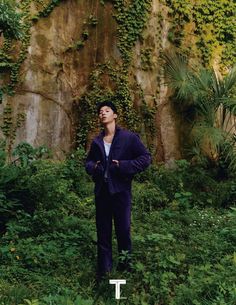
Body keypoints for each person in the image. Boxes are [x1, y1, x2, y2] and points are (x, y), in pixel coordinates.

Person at [85, 101, 151, 281]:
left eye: (107, 110)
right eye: (100, 112)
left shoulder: (128, 138)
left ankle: (125, 269)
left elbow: (145, 158)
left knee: (123, 231)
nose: (103, 113)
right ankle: (104, 272)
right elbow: (88, 162)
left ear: (115, 115)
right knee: (103, 232)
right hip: (102, 192)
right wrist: (94, 168)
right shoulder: (97, 141)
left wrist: (124, 166)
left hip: (121, 192)